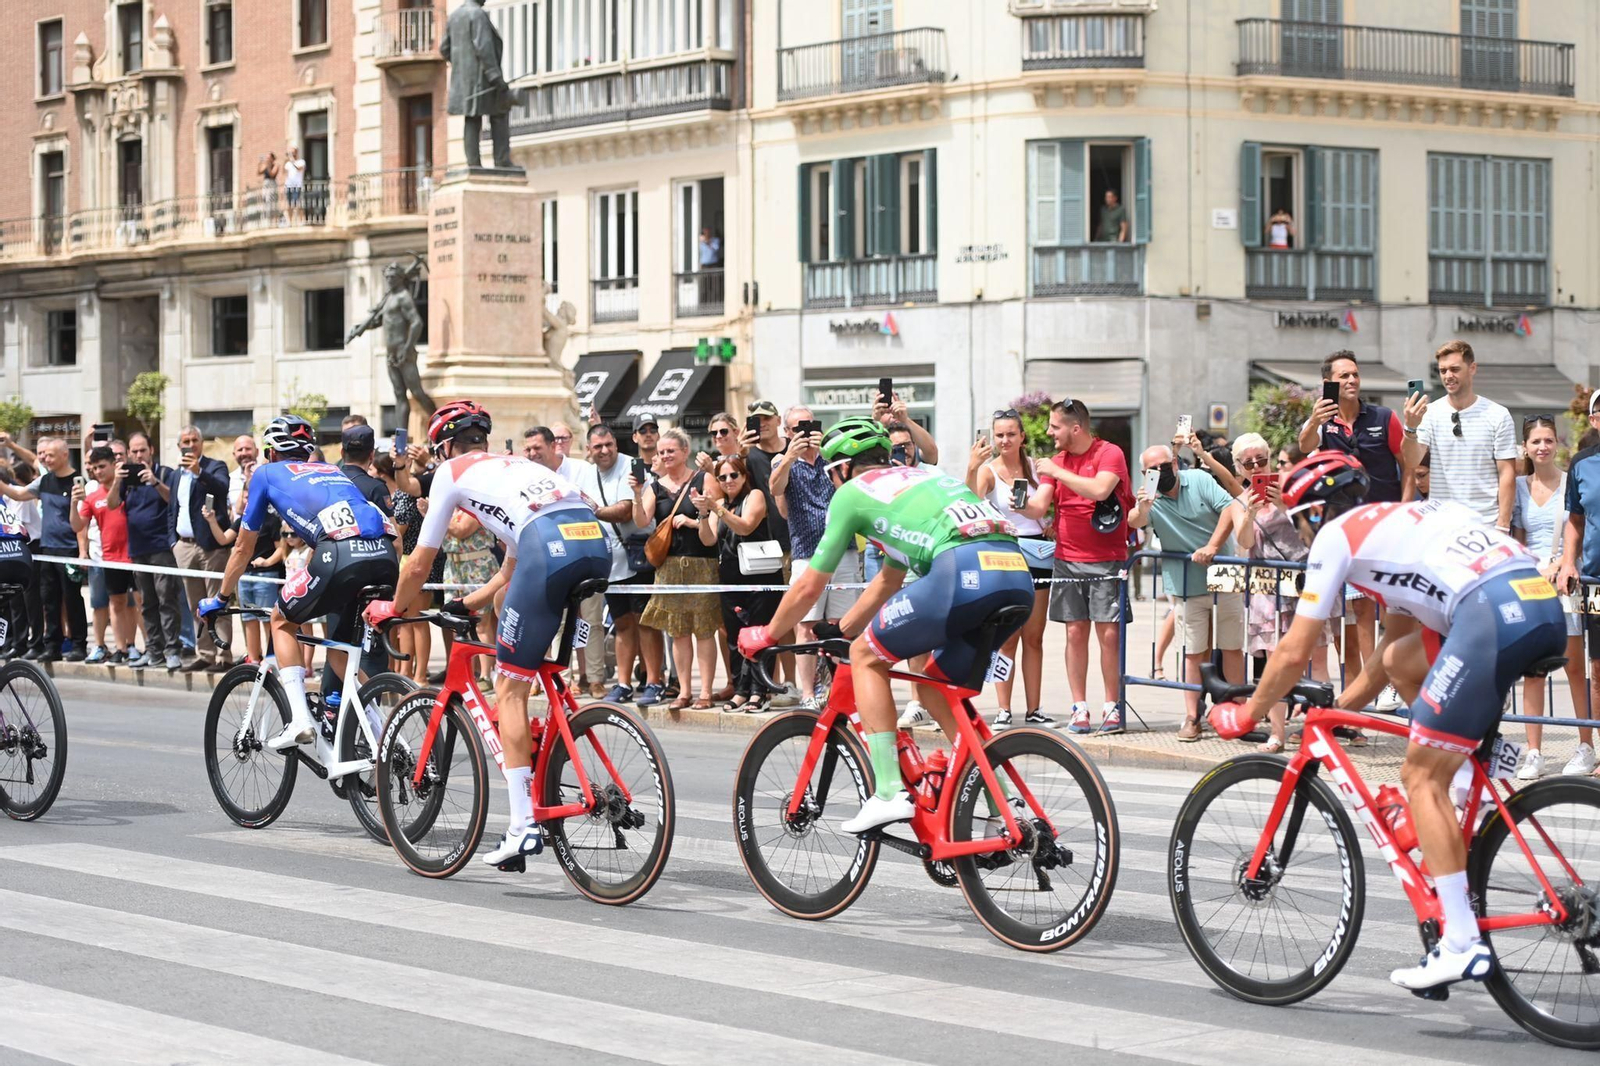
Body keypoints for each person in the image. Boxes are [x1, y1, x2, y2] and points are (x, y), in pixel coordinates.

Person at [1211, 452, 1564, 992]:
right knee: (1405, 661)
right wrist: (1335, 712)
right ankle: (1475, 776)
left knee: (1420, 776)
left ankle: (1461, 943)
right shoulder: (1399, 522)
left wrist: (1249, 712)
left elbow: (1291, 651)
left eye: (1299, 519)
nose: (1302, 532)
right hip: (1538, 606)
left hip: (1489, 614)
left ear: (1314, 513)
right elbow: (1389, 656)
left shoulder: (1336, 536)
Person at [738, 418, 1035, 833]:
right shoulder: (916, 481)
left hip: (961, 574)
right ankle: (1003, 811)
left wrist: (767, 635)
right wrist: (843, 625)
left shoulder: (854, 494)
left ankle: (889, 792)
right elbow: (889, 579)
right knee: (936, 692)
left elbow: (808, 585)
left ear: (841, 469)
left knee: (865, 657)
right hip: (1015, 578)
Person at [366, 401, 610, 869]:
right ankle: (553, 741)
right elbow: (511, 566)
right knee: (529, 654)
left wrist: (392, 608)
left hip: (548, 549)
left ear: (442, 447)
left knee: (509, 687)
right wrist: (471, 603)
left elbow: (419, 562)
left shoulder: (450, 473)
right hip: (590, 544)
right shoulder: (515, 464)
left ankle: (522, 827)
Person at [200, 416, 398, 749]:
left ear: (270, 452)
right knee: (341, 653)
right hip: (384, 555)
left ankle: (300, 720)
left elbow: (242, 547)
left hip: (340, 552)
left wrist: (220, 598)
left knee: (282, 621)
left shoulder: (265, 473)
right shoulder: (331, 469)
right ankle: (387, 739)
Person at [1300, 350, 1407, 706]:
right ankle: (1362, 692)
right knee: (1357, 612)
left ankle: (1390, 682)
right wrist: (1314, 421)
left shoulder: (1383, 417)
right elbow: (1305, 448)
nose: (1351, 381)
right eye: (1343, 376)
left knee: (1396, 608)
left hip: (1386, 526)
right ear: (1328, 383)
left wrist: (1406, 510)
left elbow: (1408, 464)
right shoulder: (1323, 422)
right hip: (1346, 527)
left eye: (1355, 375)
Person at [1022, 399, 1133, 733]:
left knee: (1109, 634)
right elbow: (1040, 505)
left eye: (1055, 426)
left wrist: (1056, 472)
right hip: (1067, 558)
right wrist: (1019, 505)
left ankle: (1112, 706)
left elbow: (1101, 489)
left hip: (1107, 558)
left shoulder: (1109, 453)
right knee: (1075, 632)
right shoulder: (1056, 461)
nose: (1049, 432)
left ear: (1075, 428)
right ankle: (1079, 707)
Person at [1128, 442, 1246, 740]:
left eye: (1164, 467)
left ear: (1176, 465)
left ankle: (1238, 712)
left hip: (1223, 576)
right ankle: (1192, 717)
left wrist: (1213, 546)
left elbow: (1231, 507)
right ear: (1144, 474)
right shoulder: (1149, 499)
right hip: (1185, 584)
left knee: (1231, 646)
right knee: (1193, 652)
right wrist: (1143, 507)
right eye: (1151, 471)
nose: (1159, 473)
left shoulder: (1200, 479)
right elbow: (1135, 521)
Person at [1230, 433, 1332, 752]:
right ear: (1240, 468)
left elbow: (1314, 529)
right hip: (1267, 588)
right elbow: (1244, 543)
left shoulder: (1293, 488)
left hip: (1303, 580)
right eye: (1250, 463)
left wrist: (1285, 504)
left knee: (1316, 657)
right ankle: (1278, 732)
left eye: (1263, 459)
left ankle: (1321, 729)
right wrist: (1249, 513)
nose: (1258, 467)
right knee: (1275, 662)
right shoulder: (1238, 501)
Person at [1511, 415, 1592, 778]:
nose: (1542, 447)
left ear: (1557, 443)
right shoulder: (1516, 487)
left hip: (1566, 581)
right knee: (1534, 670)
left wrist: (1561, 563)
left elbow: (1578, 526)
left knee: (1574, 666)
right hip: (1531, 583)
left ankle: (1586, 745)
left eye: (1548, 440)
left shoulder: (1569, 480)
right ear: (1525, 446)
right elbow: (1516, 538)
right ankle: (1533, 752)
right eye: (1535, 441)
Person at [771, 405, 863, 709]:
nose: (805, 432)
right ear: (787, 432)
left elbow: (851, 491)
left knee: (841, 624)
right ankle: (808, 694)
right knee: (806, 625)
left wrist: (828, 453)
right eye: (798, 428)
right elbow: (776, 490)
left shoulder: (833, 458)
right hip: (807, 553)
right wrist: (790, 457)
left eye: (810, 426)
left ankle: (837, 690)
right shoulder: (782, 461)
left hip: (843, 550)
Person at [968, 409, 1052, 728]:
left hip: (1039, 553)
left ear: (1022, 437)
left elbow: (1048, 505)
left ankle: (1034, 709)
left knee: (1034, 636)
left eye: (1010, 434)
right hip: (1005, 553)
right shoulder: (989, 471)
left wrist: (1052, 524)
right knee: (1008, 636)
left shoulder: (1036, 469)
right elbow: (970, 502)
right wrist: (972, 466)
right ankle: (1003, 708)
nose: (1004, 440)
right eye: (1000, 435)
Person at [635, 428, 722, 711]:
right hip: (669, 567)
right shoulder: (655, 486)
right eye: (661, 452)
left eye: (671, 450)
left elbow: (718, 521)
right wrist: (637, 495)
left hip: (702, 562)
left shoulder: (703, 479)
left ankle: (705, 692)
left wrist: (695, 519)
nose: (665, 455)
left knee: (704, 629)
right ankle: (684, 691)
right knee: (678, 631)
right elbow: (641, 521)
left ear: (685, 452)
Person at [1403, 340, 1517, 529]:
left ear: (1472, 368)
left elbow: (1507, 473)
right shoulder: (1429, 413)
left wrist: (1503, 525)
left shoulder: (1497, 414)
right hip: (1441, 525)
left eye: (1454, 369)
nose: (1448, 376)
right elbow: (1412, 461)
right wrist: (1410, 428)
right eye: (1443, 370)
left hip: (1485, 524)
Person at [698, 454, 778, 712]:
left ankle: (760, 691)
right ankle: (741, 689)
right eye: (722, 477)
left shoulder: (754, 495)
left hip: (759, 576)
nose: (729, 480)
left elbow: (745, 527)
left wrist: (718, 509)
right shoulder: (720, 503)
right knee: (734, 637)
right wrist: (703, 514)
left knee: (759, 634)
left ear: (744, 476)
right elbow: (708, 540)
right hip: (730, 577)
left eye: (734, 475)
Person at [0, 437, 87, 662]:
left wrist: (82, 551)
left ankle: (78, 644)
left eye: (49, 455)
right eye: (43, 455)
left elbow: (79, 524)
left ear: (65, 454)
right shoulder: (45, 481)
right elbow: (18, 494)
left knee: (72, 598)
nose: (44, 459)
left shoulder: (77, 483)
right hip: (47, 548)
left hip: (68, 548)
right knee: (49, 599)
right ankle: (52, 645)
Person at [572, 423, 635, 699]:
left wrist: (596, 511)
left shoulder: (629, 466)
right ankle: (607, 680)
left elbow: (625, 511)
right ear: (589, 450)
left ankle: (649, 678)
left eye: (608, 444)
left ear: (616, 444)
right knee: (602, 623)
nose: (604, 450)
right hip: (597, 562)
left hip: (633, 561)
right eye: (598, 446)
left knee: (642, 625)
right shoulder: (585, 475)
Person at [1556, 392, 1600, 777]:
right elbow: (1575, 519)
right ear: (1595, 420)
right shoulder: (1582, 464)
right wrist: (1568, 561)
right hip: (1597, 582)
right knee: (1598, 669)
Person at [165, 426, 233, 671]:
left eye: (195, 440)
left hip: (211, 547)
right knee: (197, 605)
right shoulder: (175, 475)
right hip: (184, 547)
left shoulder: (215, 467)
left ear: (202, 443)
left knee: (218, 602)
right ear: (179, 445)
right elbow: (173, 509)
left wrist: (199, 472)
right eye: (186, 440)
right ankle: (205, 653)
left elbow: (222, 488)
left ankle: (224, 656)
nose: (191, 444)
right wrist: (173, 541)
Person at [118, 432, 184, 669]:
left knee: (167, 599)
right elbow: (113, 503)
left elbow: (173, 501)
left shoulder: (165, 473)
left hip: (161, 548)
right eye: (133, 451)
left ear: (151, 450)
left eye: (142, 450)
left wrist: (154, 481)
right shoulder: (126, 477)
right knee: (147, 602)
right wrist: (117, 479)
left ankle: (172, 650)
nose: (138, 455)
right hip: (138, 549)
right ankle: (153, 650)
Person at [71, 444, 137, 664]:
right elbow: (78, 525)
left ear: (113, 465)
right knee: (115, 603)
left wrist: (119, 480)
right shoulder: (91, 496)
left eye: (102, 466)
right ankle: (120, 649)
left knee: (138, 603)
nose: (98, 471)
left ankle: (135, 646)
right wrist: (74, 503)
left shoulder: (129, 487)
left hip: (136, 556)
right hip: (110, 557)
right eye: (94, 468)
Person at [227, 434, 259, 519]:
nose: (244, 453)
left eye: (248, 449)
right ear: (234, 455)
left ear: (257, 452)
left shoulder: (267, 475)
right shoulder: (229, 479)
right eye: (240, 450)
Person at [282, 145, 306, 225]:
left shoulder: (301, 162)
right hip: (289, 186)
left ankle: (302, 220)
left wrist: (292, 162)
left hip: (297, 186)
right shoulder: (288, 163)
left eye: (293, 152)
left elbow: (300, 169)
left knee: (297, 203)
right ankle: (289, 221)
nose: (291, 154)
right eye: (290, 152)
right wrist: (286, 161)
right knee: (289, 204)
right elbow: (284, 173)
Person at [258, 152, 280, 224]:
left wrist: (268, 166)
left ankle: (274, 221)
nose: (267, 159)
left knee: (272, 202)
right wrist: (260, 163)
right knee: (266, 201)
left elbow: (272, 174)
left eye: (269, 157)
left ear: (272, 158)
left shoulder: (275, 165)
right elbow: (259, 172)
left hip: (272, 184)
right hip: (266, 185)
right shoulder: (265, 166)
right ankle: (267, 220)